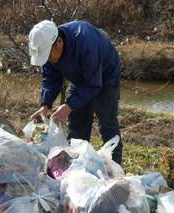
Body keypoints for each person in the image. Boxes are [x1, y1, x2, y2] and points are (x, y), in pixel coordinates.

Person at [28, 20, 123, 164]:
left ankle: (115, 169)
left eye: (48, 56)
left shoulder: (85, 42)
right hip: (81, 79)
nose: (47, 60)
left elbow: (93, 84)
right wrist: (45, 105)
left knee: (107, 123)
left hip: (106, 77)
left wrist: (68, 106)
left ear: (58, 43)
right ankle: (75, 166)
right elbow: (50, 78)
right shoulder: (48, 47)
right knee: (77, 127)